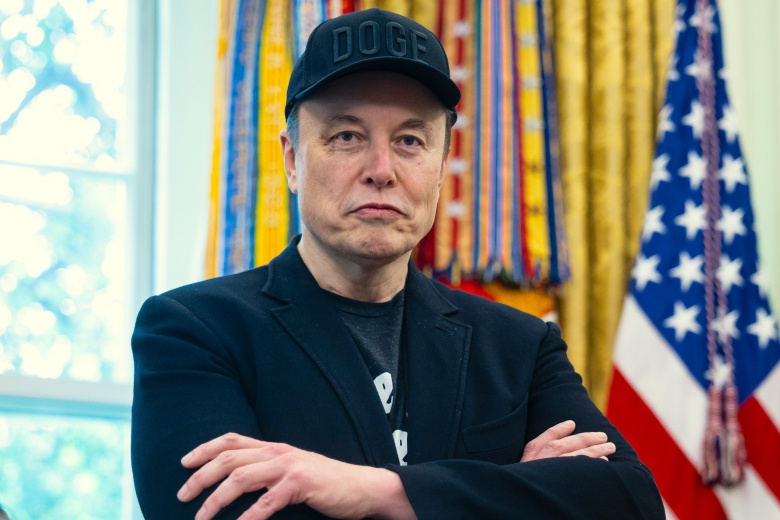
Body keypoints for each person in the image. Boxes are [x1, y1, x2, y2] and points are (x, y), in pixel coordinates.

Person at [131, 8, 664, 520]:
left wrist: (372, 491)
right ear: (293, 159)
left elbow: (631, 502)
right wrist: (513, 490)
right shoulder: (193, 331)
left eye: (410, 140)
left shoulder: (521, 347)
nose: (381, 169)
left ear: (441, 166)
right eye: (346, 136)